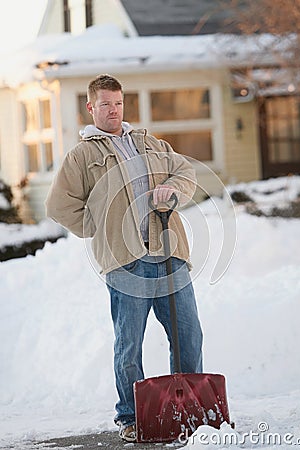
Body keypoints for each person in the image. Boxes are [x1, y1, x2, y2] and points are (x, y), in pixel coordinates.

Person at [45, 74, 203, 443]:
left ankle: (189, 408)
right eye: (105, 104)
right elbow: (58, 205)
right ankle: (131, 416)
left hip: (168, 253)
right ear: (91, 107)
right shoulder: (83, 156)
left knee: (188, 334)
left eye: (117, 103)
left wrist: (172, 189)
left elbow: (186, 171)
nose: (113, 110)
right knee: (129, 343)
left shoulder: (149, 142)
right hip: (126, 261)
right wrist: (96, 225)